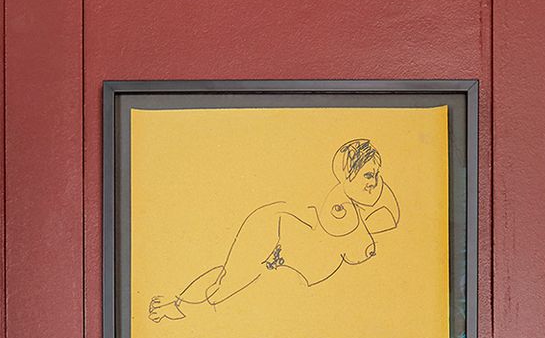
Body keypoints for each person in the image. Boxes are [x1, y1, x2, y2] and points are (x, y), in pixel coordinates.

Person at [147, 138, 400, 322]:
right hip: (274, 232)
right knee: (226, 286)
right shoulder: (339, 209)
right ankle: (176, 304)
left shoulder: (355, 207)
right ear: (346, 174)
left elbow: (389, 219)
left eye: (377, 174)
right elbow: (360, 232)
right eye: (369, 175)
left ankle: (178, 303)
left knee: (230, 284)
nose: (375, 183)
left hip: (289, 258)